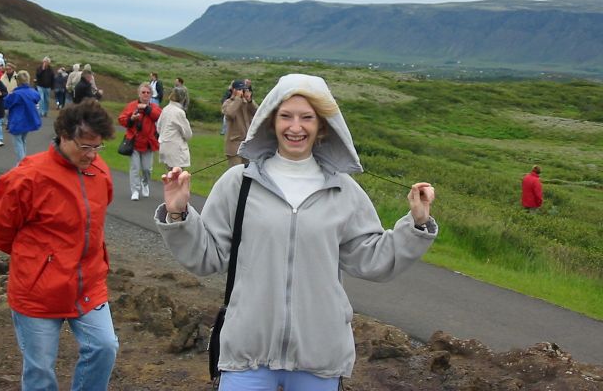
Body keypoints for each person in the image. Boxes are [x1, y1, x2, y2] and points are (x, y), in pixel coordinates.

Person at [154, 73, 437, 391]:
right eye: (286, 116)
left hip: (319, 357)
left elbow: (371, 259)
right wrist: (178, 214)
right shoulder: (238, 183)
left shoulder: (343, 190)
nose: (295, 127)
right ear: (271, 121)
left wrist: (416, 225)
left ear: (322, 126)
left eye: (307, 117)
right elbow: (208, 257)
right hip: (247, 355)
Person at [0, 99, 119, 391]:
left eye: (97, 147)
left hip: (88, 284)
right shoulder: (27, 177)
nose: (92, 154)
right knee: (40, 371)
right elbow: (1, 231)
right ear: (64, 136)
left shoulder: (99, 170)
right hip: (38, 290)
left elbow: (95, 220)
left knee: (105, 347)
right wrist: (41, 261)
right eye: (85, 146)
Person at [118, 83, 161, 201]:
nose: (145, 94)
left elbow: (159, 116)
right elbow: (121, 119)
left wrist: (147, 109)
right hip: (134, 142)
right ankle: (135, 190)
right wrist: (131, 119)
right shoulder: (131, 106)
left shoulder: (154, 107)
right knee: (135, 168)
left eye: (148, 92)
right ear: (139, 94)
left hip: (148, 143)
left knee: (147, 169)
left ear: (151, 95)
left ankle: (145, 183)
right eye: (143, 92)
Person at [4, 70, 42, 165]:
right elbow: (37, 98)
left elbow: (5, 104)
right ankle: (24, 161)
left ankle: (22, 163)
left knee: (18, 142)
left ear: (18, 81)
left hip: (18, 121)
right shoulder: (33, 92)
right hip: (29, 120)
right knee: (22, 141)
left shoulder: (16, 94)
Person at [221, 79, 258, 167]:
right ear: (234, 90)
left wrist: (250, 101)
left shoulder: (247, 103)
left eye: (243, 89)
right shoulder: (228, 102)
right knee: (236, 171)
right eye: (239, 89)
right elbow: (230, 114)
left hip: (247, 144)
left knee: (248, 171)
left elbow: (257, 113)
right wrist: (237, 99)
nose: (242, 91)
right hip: (234, 144)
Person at [157, 86, 192, 170]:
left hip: (164, 146)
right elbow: (188, 134)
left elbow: (158, 128)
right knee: (177, 175)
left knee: (169, 174)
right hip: (175, 150)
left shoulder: (165, 109)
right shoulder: (179, 112)